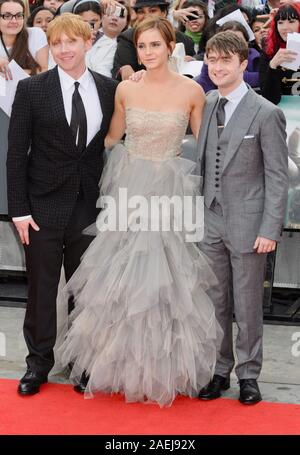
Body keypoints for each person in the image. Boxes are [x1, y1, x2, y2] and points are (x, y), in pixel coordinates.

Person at [57, 17, 222, 407]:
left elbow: (206, 146)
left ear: (170, 47)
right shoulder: (126, 91)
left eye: (155, 46)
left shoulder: (192, 91)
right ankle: (104, 365)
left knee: (168, 279)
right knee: (115, 277)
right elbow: (112, 137)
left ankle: (165, 369)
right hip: (128, 187)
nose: (148, 53)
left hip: (169, 189)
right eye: (142, 46)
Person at [7, 12, 117, 396]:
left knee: (85, 292)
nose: (64, 49)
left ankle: (82, 363)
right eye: (57, 43)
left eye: (72, 41)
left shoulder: (108, 88)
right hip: (41, 208)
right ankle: (38, 363)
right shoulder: (32, 90)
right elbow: (16, 154)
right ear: (50, 48)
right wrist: (19, 210)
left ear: (88, 43)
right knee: (41, 289)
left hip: (90, 204)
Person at [197, 31, 288, 404]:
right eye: (211, 60)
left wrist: (270, 228)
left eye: (225, 60)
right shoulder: (206, 103)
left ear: (242, 63)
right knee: (214, 301)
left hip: (250, 225)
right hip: (210, 220)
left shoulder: (267, 112)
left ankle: (249, 374)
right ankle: (220, 370)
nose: (217, 67)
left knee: (248, 303)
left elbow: (277, 177)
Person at [112, 0, 195, 80]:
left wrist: (193, 62)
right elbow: (123, 71)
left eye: (152, 11)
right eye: (141, 12)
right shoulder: (128, 38)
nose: (147, 16)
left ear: (164, 13)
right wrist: (125, 70)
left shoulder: (184, 40)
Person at [195, 21, 260, 92]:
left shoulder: (256, 58)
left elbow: (262, 78)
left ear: (247, 43)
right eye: (226, 41)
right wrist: (206, 65)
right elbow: (203, 90)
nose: (233, 45)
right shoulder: (212, 61)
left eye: (238, 40)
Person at [259, 2, 300, 105]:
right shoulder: (268, 50)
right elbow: (269, 99)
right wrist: (272, 66)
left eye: (291, 21)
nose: (285, 27)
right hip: (283, 112)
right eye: (280, 22)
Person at [0, 0, 48, 79]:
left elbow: (43, 70)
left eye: (19, 15)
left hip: (30, 88)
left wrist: (10, 71)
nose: (14, 21)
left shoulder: (36, 34)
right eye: (7, 16)